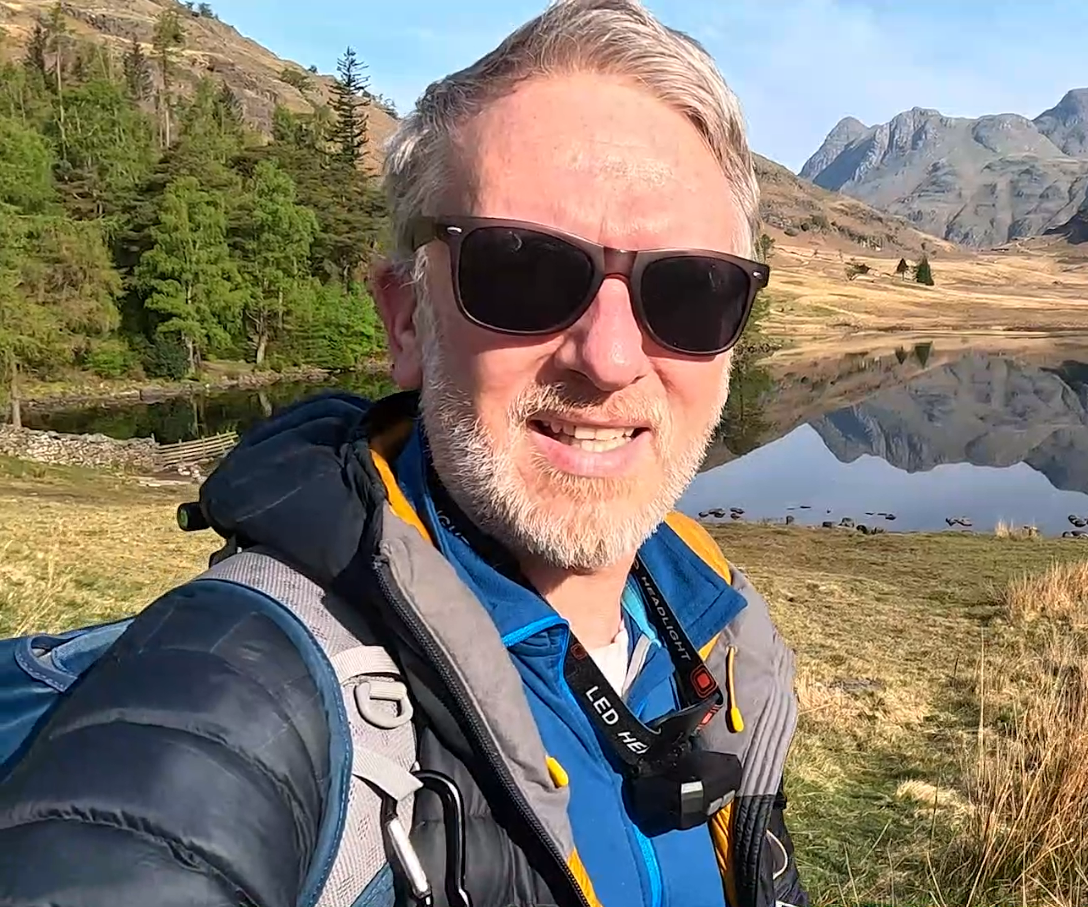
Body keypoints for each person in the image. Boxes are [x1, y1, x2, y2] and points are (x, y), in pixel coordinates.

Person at [0, 1, 808, 905]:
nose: (612, 358)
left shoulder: (722, 639)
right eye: (523, 272)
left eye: (692, 291)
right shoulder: (254, 689)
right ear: (403, 318)